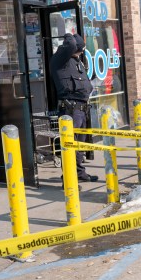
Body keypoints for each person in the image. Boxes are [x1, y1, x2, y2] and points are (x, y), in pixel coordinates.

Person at [49, 33, 98, 183]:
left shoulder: (76, 61)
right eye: (80, 49)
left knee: (79, 145)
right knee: (70, 145)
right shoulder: (60, 59)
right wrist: (70, 35)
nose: (82, 52)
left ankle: (79, 173)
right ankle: (69, 179)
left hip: (82, 109)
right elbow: (70, 44)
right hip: (71, 109)